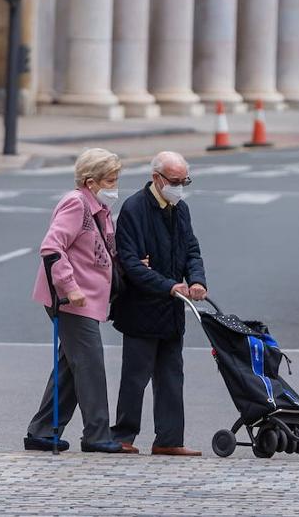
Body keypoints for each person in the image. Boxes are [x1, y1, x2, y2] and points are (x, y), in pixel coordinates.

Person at [25, 148, 129, 454]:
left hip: (88, 298)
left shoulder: (98, 207)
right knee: (90, 365)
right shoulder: (76, 204)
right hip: (72, 300)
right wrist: (70, 288)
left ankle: (42, 431)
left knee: (71, 367)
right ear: (90, 181)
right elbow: (52, 247)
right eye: (110, 180)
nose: (114, 186)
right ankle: (96, 435)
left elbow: (101, 249)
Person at [108, 151, 207, 456]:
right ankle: (123, 435)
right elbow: (132, 263)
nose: (179, 187)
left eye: (184, 181)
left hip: (172, 308)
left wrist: (197, 280)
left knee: (172, 376)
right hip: (141, 308)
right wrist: (168, 286)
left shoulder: (181, 208)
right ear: (157, 178)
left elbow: (191, 249)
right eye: (175, 181)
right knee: (135, 377)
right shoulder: (135, 209)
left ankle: (169, 439)